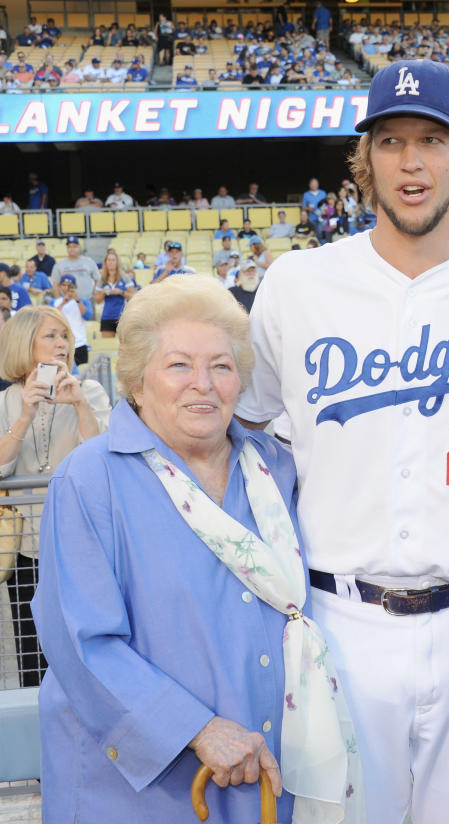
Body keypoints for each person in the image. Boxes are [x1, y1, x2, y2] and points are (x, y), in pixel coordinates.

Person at [235, 59, 449, 824]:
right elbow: (244, 429)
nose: (412, 161)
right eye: (390, 141)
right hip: (339, 619)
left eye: (432, 138)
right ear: (365, 162)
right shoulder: (298, 283)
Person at [31, 277, 361, 823]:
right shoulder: (90, 480)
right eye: (179, 365)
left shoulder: (273, 468)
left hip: (267, 771)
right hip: (148, 792)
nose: (203, 385)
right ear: (137, 382)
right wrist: (196, 729)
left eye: (222, 367)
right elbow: (82, 643)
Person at [0, 306, 111, 687]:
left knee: (87, 643)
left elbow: (102, 461)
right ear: (24, 342)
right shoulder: (6, 400)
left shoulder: (90, 391)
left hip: (81, 541)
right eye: (51, 335)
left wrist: (80, 404)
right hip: (25, 548)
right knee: (32, 648)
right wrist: (25, 415)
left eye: (65, 335)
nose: (63, 344)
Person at [93, 247, 138, 337]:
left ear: (117, 262)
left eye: (113, 260)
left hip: (122, 317)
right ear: (105, 262)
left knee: (125, 347)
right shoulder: (102, 279)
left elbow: (133, 296)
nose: (111, 262)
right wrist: (103, 293)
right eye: (109, 260)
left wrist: (120, 292)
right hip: (107, 316)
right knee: (107, 346)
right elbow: (97, 300)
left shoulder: (125, 277)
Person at [52, 275, 89, 365]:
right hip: (62, 344)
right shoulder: (55, 302)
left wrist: (76, 299)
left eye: (69, 285)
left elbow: (87, 316)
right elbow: (52, 317)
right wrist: (64, 302)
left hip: (80, 343)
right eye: (64, 285)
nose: (66, 288)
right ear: (60, 286)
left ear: (75, 286)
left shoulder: (83, 301)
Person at [51, 236, 99, 302]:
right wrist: (59, 300)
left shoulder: (89, 261)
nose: (72, 249)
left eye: (74, 246)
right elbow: (55, 285)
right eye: (69, 247)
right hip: (68, 302)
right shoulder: (59, 265)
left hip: (87, 300)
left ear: (79, 247)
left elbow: (98, 279)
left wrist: (95, 291)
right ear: (67, 249)